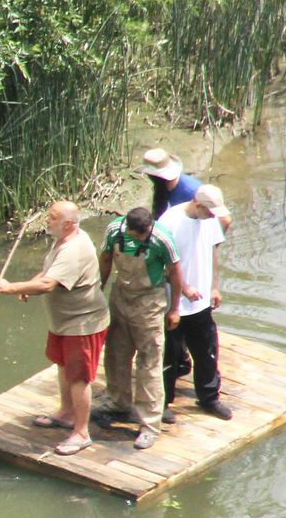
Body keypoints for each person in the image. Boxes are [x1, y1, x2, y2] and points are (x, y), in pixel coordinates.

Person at [0, 201, 110, 455]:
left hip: (83, 323)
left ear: (68, 224)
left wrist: (9, 287)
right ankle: (66, 413)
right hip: (63, 322)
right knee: (63, 366)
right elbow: (48, 273)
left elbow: (48, 284)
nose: (47, 221)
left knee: (79, 377)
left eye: (53, 218)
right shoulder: (63, 241)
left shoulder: (74, 249)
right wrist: (27, 287)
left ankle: (81, 432)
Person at [94, 207, 183, 449]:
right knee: (116, 353)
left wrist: (175, 309)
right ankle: (118, 402)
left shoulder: (162, 238)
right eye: (138, 234)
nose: (143, 237)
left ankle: (150, 424)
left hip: (150, 301)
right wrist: (98, 292)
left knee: (149, 362)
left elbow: (175, 272)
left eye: (146, 233)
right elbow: (105, 259)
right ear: (129, 228)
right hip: (121, 295)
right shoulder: (115, 231)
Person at [157, 185, 234, 421]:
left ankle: (209, 397)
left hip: (200, 304)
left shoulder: (209, 220)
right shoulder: (170, 222)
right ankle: (163, 402)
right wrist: (184, 288)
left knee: (207, 351)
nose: (214, 216)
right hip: (174, 303)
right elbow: (162, 263)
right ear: (198, 204)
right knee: (169, 354)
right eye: (210, 211)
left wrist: (213, 285)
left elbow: (212, 251)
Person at [139, 147, 232, 232]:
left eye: (150, 174)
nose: (148, 177)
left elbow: (225, 220)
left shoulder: (193, 191)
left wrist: (213, 247)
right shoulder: (161, 188)